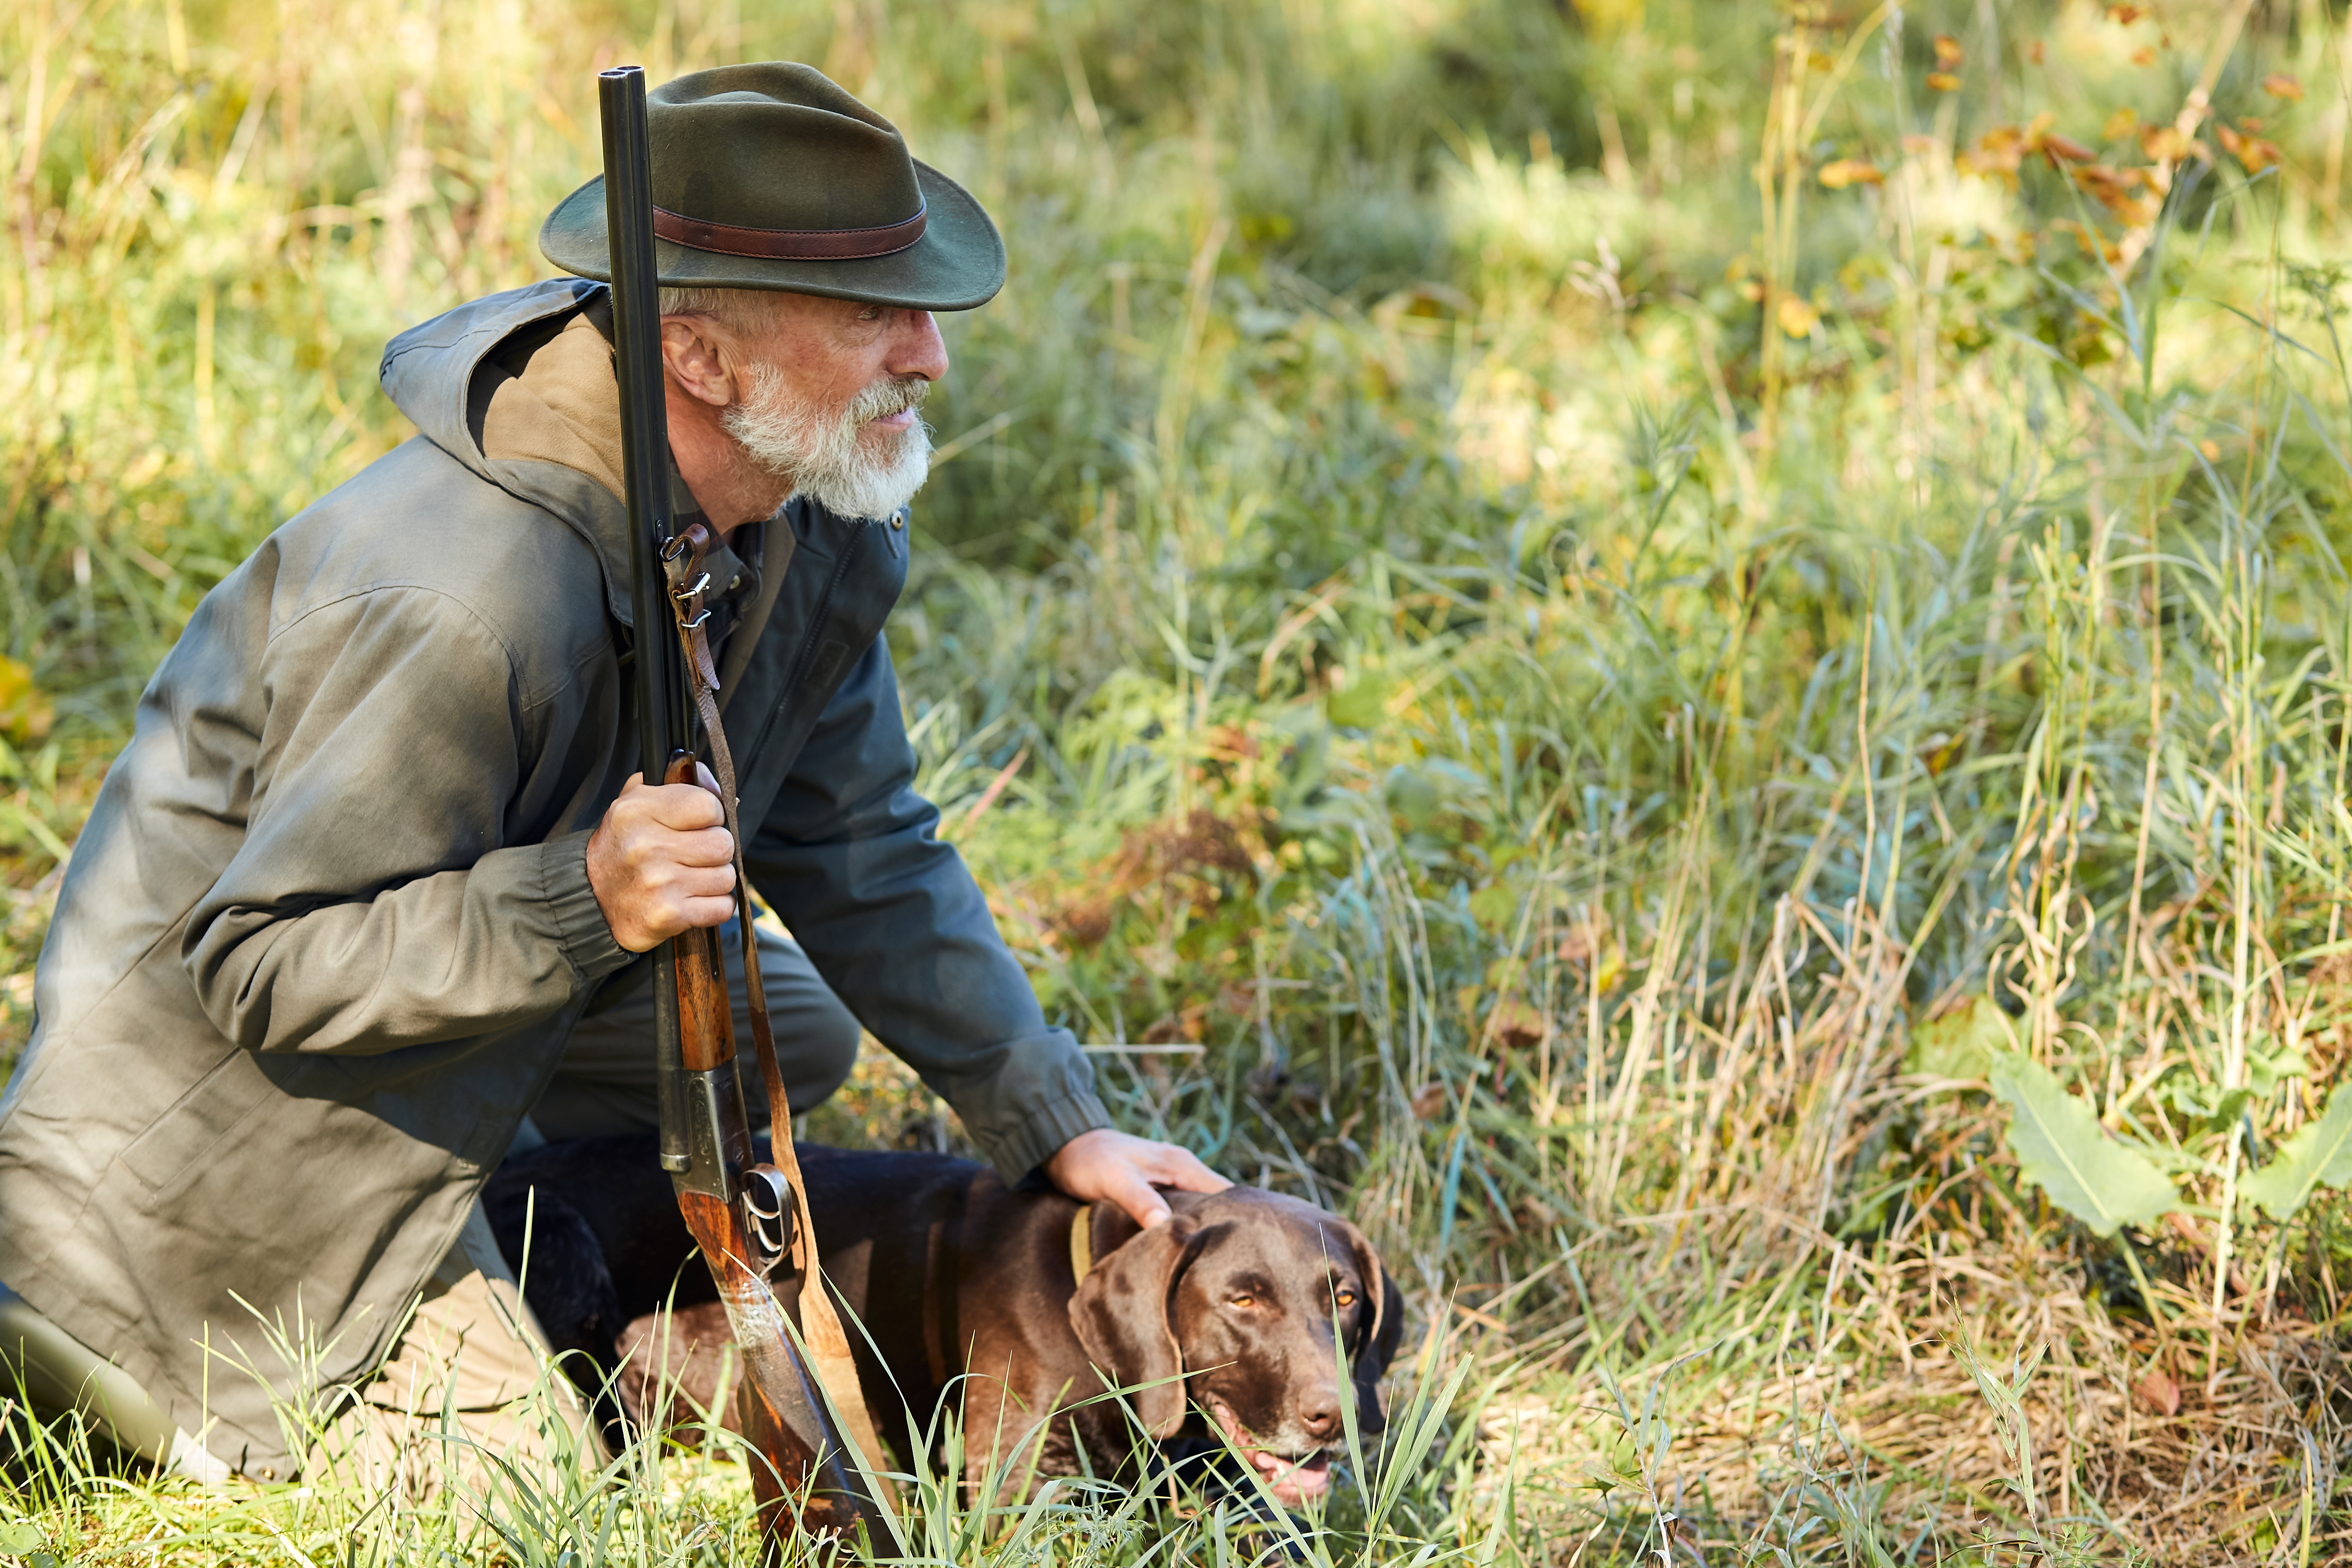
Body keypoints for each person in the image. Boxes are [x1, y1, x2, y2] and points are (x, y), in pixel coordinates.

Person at [0, 61, 1224, 1488]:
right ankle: (196, 1318)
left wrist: (1050, 1115)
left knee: (794, 1039)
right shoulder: (458, 597)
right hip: (229, 1141)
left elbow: (866, 845)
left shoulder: (799, 510)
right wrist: (584, 903)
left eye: (926, 311)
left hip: (443, 1026)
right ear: (701, 359)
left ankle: (502, 1190)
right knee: (541, 1497)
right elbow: (264, 966)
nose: (932, 358)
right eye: (875, 317)